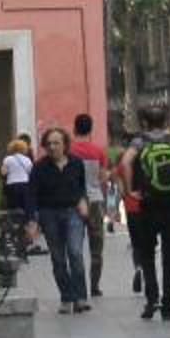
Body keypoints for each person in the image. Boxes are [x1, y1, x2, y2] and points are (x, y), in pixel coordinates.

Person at [118, 107, 170, 323]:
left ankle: (151, 299)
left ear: (144, 123)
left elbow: (125, 163)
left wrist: (130, 190)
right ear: (166, 122)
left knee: (147, 254)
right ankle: (167, 306)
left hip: (149, 204)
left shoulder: (139, 142)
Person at [26, 127, 90, 313]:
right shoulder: (39, 167)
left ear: (65, 145)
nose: (52, 147)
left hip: (73, 212)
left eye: (56, 143)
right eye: (49, 144)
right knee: (58, 258)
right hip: (49, 215)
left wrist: (82, 201)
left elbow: (81, 186)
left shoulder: (76, 163)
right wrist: (32, 221)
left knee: (75, 253)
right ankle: (67, 297)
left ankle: (80, 297)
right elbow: (31, 195)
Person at [68, 112, 113, 285]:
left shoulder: (69, 151)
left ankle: (78, 284)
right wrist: (105, 203)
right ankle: (95, 285)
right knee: (96, 248)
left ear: (74, 129)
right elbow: (103, 179)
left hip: (74, 202)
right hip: (95, 200)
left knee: (75, 247)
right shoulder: (98, 151)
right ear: (91, 129)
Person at [0, 132, 37, 256]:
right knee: (27, 212)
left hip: (11, 187)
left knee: (13, 212)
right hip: (25, 187)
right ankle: (27, 235)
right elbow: (32, 175)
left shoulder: (7, 159)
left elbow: (3, 173)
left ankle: (13, 233)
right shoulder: (27, 160)